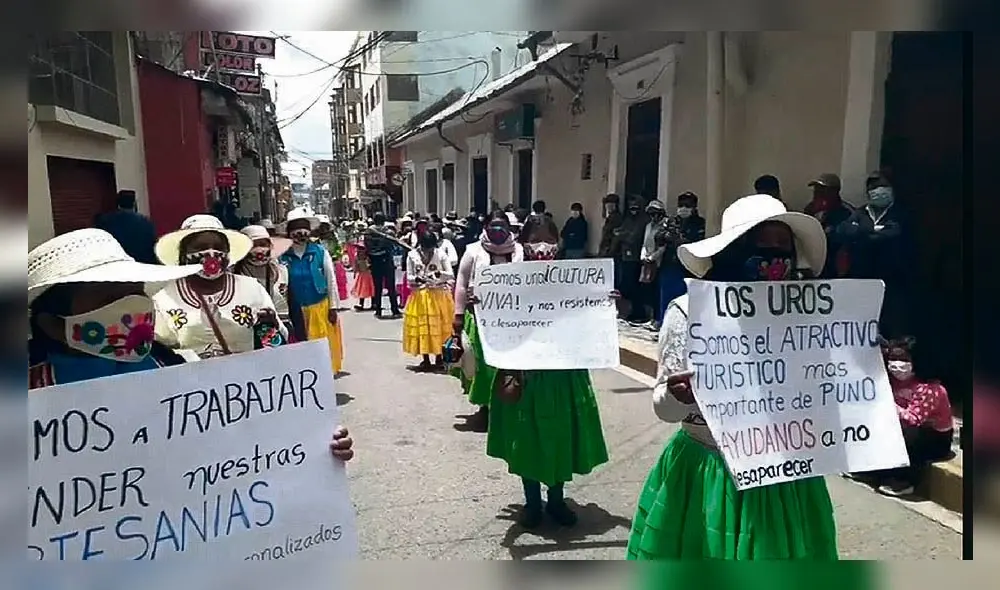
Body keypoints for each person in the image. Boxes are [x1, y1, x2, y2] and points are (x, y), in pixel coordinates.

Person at [627, 194, 838, 560]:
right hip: (710, 473)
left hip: (785, 474)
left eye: (782, 247)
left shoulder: (804, 316)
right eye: (761, 244)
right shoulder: (688, 313)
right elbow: (665, 409)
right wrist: (680, 395)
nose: (774, 258)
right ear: (733, 251)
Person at [27, 227, 354, 461]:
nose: (130, 306)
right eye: (109, 296)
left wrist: (313, 442)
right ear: (52, 323)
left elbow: (239, 453)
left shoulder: (175, 369)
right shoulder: (27, 401)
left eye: (134, 291)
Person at [485, 213, 610, 528]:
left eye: (550, 241)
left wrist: (606, 303)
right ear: (523, 243)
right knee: (526, 437)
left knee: (559, 437)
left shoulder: (576, 280)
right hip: (525, 374)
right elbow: (498, 323)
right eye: (536, 240)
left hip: (563, 374)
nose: (543, 248)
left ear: (559, 243)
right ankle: (531, 503)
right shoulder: (507, 279)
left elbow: (588, 317)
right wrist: (482, 305)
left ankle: (556, 500)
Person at [151, 214, 287, 358]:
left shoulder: (252, 289)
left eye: (218, 247)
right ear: (183, 254)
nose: (211, 253)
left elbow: (275, 346)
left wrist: (272, 329)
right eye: (200, 247)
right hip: (190, 378)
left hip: (246, 378)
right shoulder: (164, 297)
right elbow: (160, 352)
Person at [851, 337, 954, 497]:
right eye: (893, 358)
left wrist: (888, 403)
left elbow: (913, 419)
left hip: (934, 439)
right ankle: (874, 471)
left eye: (903, 359)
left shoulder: (931, 388)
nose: (897, 363)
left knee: (908, 433)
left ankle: (905, 481)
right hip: (903, 428)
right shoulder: (891, 380)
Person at [451, 211, 525, 432]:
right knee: (483, 366)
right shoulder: (473, 251)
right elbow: (461, 283)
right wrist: (458, 314)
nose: (498, 231)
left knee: (507, 365)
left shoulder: (519, 250)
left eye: (502, 226)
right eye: (494, 226)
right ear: (485, 227)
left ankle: (507, 406)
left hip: (511, 320)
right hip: (480, 318)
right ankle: (485, 408)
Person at [836, 172, 912, 338]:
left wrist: (863, 233)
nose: (878, 190)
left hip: (892, 282)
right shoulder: (860, 212)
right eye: (873, 187)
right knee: (861, 328)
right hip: (863, 280)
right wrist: (874, 231)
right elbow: (843, 230)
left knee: (891, 329)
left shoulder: (900, 214)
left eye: (883, 185)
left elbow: (894, 233)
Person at [279, 207, 345, 374]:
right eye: (296, 227)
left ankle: (322, 377)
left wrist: (333, 307)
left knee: (320, 348)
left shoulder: (319, 252)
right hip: (294, 311)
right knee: (299, 348)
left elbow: (331, 279)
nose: (301, 232)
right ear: (289, 231)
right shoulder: (281, 255)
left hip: (318, 308)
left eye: (304, 227)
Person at [404, 229, 455, 372]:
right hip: (420, 296)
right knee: (423, 327)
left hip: (439, 295)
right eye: (426, 249)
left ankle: (439, 358)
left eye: (431, 248)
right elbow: (409, 276)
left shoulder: (441, 254)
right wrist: (417, 279)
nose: (428, 252)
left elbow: (450, 274)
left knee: (438, 326)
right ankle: (425, 359)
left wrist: (439, 274)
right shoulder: (412, 256)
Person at [654, 192, 705, 329]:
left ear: (694, 207)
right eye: (681, 205)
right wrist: (665, 235)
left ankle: (683, 327)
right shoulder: (671, 221)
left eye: (687, 205)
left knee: (684, 301)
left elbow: (697, 243)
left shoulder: (699, 223)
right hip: (670, 265)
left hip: (688, 267)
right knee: (666, 298)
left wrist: (679, 239)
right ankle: (664, 326)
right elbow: (658, 237)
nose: (683, 208)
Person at [234, 225, 293, 336]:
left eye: (263, 245)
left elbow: (291, 304)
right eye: (253, 245)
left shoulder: (282, 271)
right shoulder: (234, 275)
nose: (259, 250)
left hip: (281, 330)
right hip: (246, 333)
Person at [804, 173, 853, 279]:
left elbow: (846, 241)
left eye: (822, 189)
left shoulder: (846, 212)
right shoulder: (810, 208)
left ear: (834, 191)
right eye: (816, 189)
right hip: (813, 264)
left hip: (835, 265)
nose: (817, 192)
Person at [94, 190, 158, 264]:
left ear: (118, 203)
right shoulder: (145, 222)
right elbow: (152, 244)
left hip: (118, 264)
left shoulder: (105, 220)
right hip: (143, 263)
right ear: (134, 203)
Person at [614, 196, 648, 322]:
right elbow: (619, 231)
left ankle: (639, 313)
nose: (633, 209)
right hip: (625, 257)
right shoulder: (629, 219)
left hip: (636, 258)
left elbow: (633, 237)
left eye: (635, 206)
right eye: (631, 206)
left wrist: (621, 235)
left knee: (635, 287)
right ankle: (630, 311)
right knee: (627, 286)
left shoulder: (643, 220)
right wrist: (622, 234)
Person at [634, 199, 667, 327]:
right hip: (647, 264)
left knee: (657, 292)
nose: (653, 216)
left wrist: (653, 257)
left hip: (658, 263)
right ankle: (650, 317)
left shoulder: (664, 226)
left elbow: (663, 247)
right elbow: (645, 243)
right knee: (647, 291)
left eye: (655, 213)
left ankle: (658, 319)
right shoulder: (648, 226)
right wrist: (643, 254)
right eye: (651, 213)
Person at [365, 213, 403, 319]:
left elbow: (367, 247)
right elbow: (392, 246)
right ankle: (394, 310)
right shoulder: (388, 232)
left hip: (374, 261)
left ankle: (378, 310)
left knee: (378, 287)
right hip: (387, 261)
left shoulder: (368, 232)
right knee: (391, 286)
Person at [315, 214, 349, 304]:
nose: (323, 229)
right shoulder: (315, 239)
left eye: (324, 227)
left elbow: (339, 247)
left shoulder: (334, 237)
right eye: (321, 227)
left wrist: (335, 255)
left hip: (333, 261)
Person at [350, 222, 377, 311]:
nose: (359, 250)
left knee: (371, 289)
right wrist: (355, 272)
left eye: (361, 249)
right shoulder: (357, 258)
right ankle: (361, 304)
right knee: (362, 290)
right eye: (359, 249)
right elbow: (356, 267)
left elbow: (370, 265)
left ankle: (374, 303)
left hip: (368, 275)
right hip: (362, 275)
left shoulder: (368, 257)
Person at [598, 193, 623, 258]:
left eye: (611, 205)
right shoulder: (610, 217)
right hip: (606, 249)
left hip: (611, 252)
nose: (609, 206)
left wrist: (609, 252)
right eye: (607, 204)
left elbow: (615, 237)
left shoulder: (617, 218)